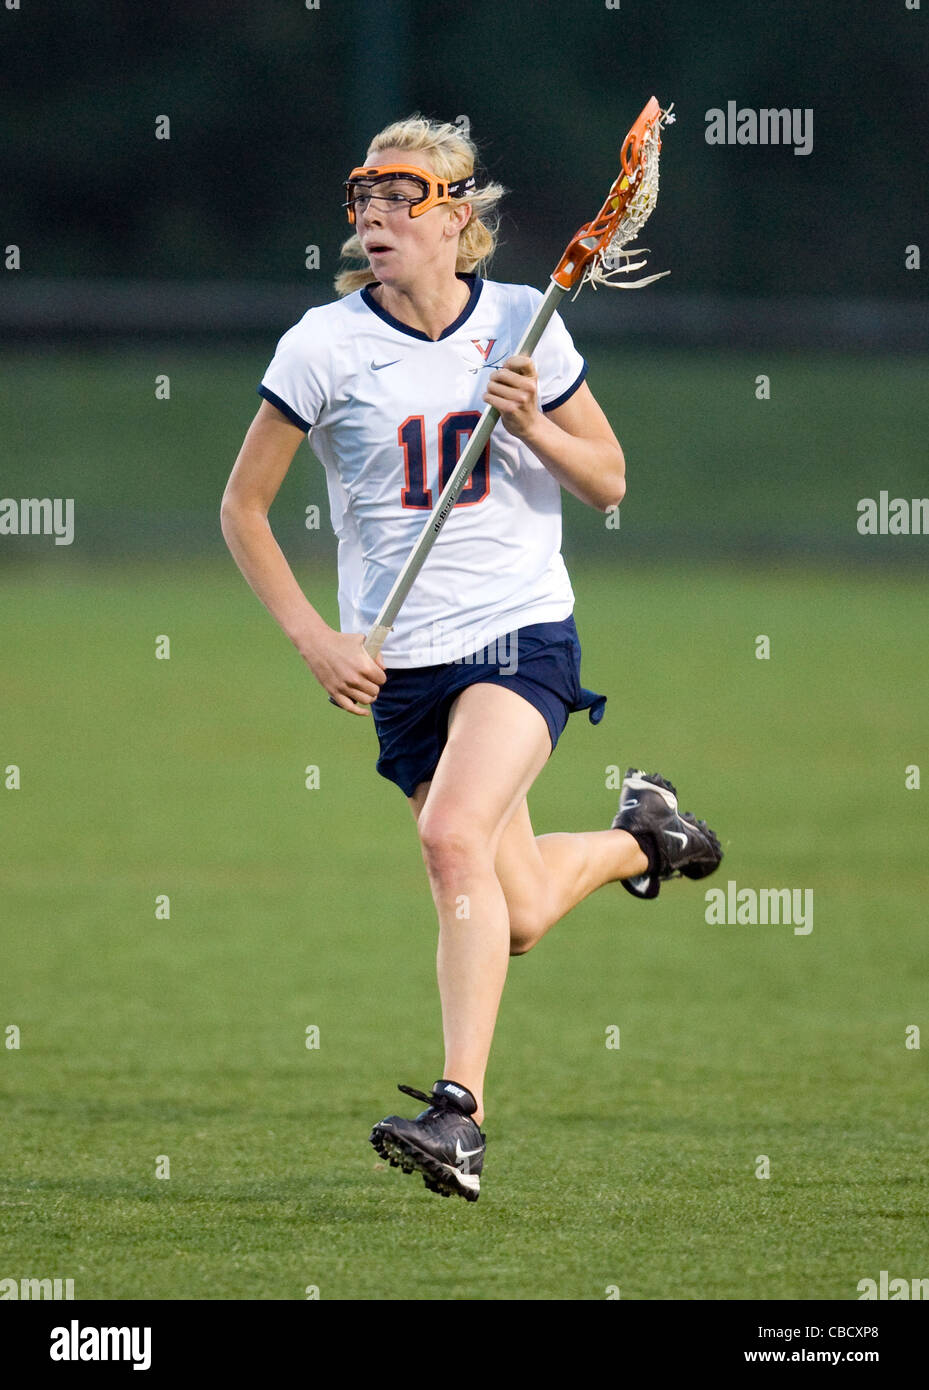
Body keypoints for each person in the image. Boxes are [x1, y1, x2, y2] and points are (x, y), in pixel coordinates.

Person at [221, 115, 722, 1203]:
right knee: (523, 909)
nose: (375, 220)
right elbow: (242, 509)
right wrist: (317, 640)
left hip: (518, 635)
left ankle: (458, 1117)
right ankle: (645, 837)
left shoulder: (519, 326)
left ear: (457, 221)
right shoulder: (321, 345)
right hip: (401, 670)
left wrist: (532, 422)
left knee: (452, 838)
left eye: (401, 202)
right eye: (363, 201)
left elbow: (608, 480)